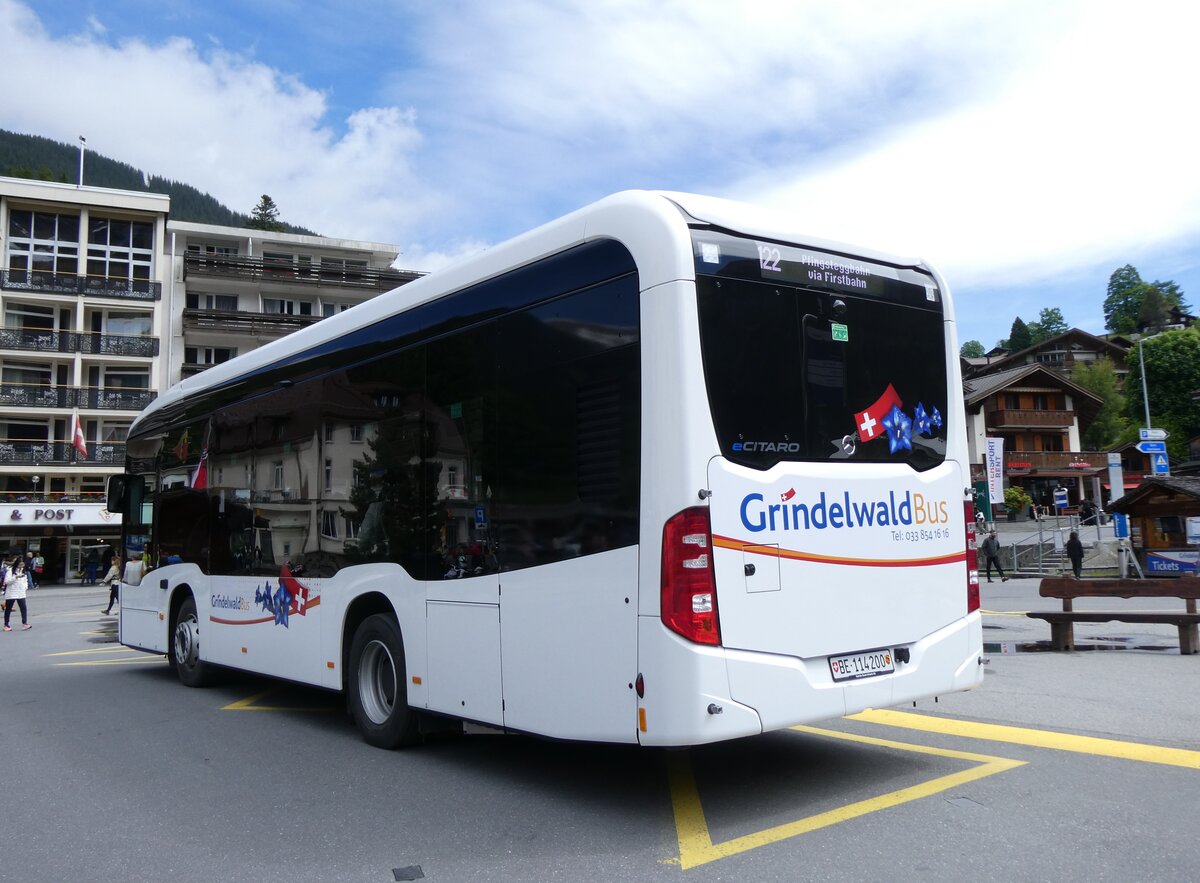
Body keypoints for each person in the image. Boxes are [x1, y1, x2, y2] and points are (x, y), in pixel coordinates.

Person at [3, 556, 32, 631]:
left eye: (22, 564)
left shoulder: (23, 571)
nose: (21, 566)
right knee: (8, 609)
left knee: (23, 608)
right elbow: (7, 581)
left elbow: (25, 580)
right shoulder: (10, 571)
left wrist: (26, 587)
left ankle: (24, 623)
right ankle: (6, 625)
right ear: (17, 564)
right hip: (12, 592)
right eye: (20, 564)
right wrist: (15, 577)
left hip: (21, 593)